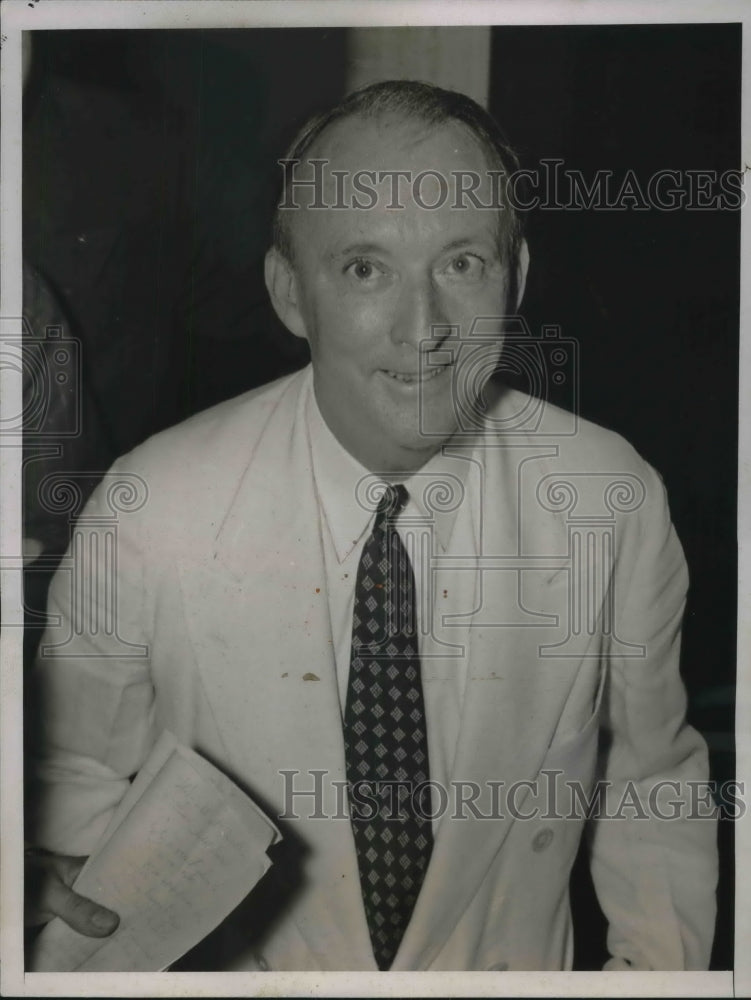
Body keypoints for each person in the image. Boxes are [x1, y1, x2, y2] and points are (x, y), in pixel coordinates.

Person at [25, 80, 718, 972]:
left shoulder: (608, 496)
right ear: (289, 294)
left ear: (515, 278)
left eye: (461, 264)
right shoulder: (151, 505)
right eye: (365, 269)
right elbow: (68, 783)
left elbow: (651, 785)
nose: (422, 329)